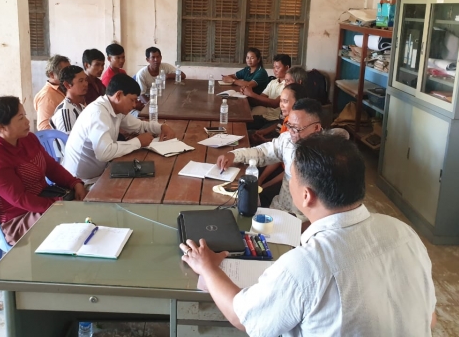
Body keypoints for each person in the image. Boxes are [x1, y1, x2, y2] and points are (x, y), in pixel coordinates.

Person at [182, 135, 437, 336]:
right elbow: (430, 318)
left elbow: (243, 317)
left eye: (292, 176)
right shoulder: (404, 233)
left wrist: (208, 268)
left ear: (306, 196)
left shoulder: (305, 266)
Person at [0, 96, 86, 245]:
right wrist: (58, 204)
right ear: (2, 127)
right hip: (17, 219)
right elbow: (20, 199)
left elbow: (51, 167)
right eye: (20, 118)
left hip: (44, 199)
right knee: (75, 220)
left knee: (88, 202)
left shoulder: (27, 138)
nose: (27, 121)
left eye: (25, 115)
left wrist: (74, 183)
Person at [217, 98, 323, 219]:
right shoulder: (287, 140)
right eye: (289, 125)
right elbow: (263, 152)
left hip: (304, 219)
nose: (291, 132)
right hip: (279, 209)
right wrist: (234, 155)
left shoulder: (327, 158)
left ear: (316, 128)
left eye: (297, 129)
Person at [63, 73, 176, 183]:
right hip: (81, 182)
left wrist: (161, 127)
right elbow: (104, 153)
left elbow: (139, 126)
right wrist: (138, 142)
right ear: (118, 95)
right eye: (132, 100)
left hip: (101, 172)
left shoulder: (116, 108)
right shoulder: (98, 113)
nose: (134, 105)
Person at [242, 53, 291, 130]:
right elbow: (260, 99)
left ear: (287, 68)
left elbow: (275, 104)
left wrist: (251, 94)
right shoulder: (273, 82)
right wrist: (246, 93)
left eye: (277, 67)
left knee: (250, 132)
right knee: (243, 123)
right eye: (273, 67)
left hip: (275, 120)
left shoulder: (288, 85)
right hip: (265, 116)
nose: (275, 70)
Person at [34, 55, 70, 130]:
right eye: (65, 72)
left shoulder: (66, 88)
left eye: (69, 72)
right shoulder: (46, 96)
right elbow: (44, 129)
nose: (70, 75)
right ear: (52, 74)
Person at [49, 65, 88, 134]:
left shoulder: (81, 107)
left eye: (86, 80)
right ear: (67, 85)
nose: (86, 84)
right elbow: (67, 140)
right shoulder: (65, 111)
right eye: (81, 81)